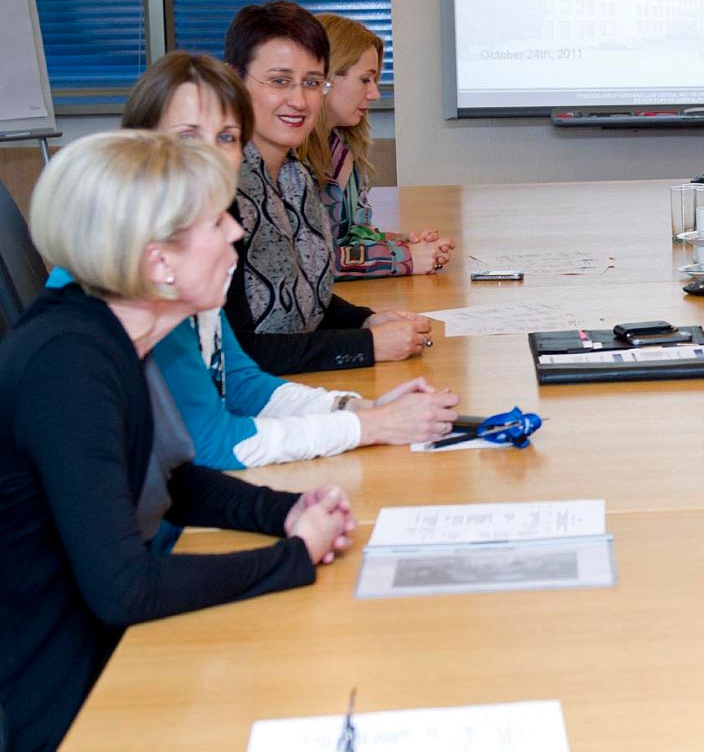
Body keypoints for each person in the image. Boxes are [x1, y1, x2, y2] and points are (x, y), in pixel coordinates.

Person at [0, 131, 356, 752]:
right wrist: (291, 558)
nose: (237, 232)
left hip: (91, 678)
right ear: (159, 263)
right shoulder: (69, 367)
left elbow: (175, 480)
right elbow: (125, 588)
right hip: (48, 740)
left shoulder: (112, 335)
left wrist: (287, 512)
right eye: (216, 222)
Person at [42, 52, 460, 471]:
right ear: (141, 141)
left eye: (227, 138)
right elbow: (209, 442)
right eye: (188, 135)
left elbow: (240, 381)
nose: (212, 155)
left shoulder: (199, 243)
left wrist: (359, 408)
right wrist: (367, 426)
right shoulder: (135, 263)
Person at [222, 0, 432, 375]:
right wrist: (366, 345)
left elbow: (302, 297)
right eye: (279, 81)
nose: (299, 100)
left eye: (312, 83)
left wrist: (364, 320)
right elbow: (238, 351)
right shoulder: (219, 193)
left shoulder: (295, 176)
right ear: (235, 81)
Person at [301, 13, 454, 278]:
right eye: (365, 80)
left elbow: (351, 234)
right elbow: (309, 261)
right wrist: (404, 258)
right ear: (327, 76)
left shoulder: (343, 146)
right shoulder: (285, 160)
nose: (374, 94)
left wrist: (403, 244)